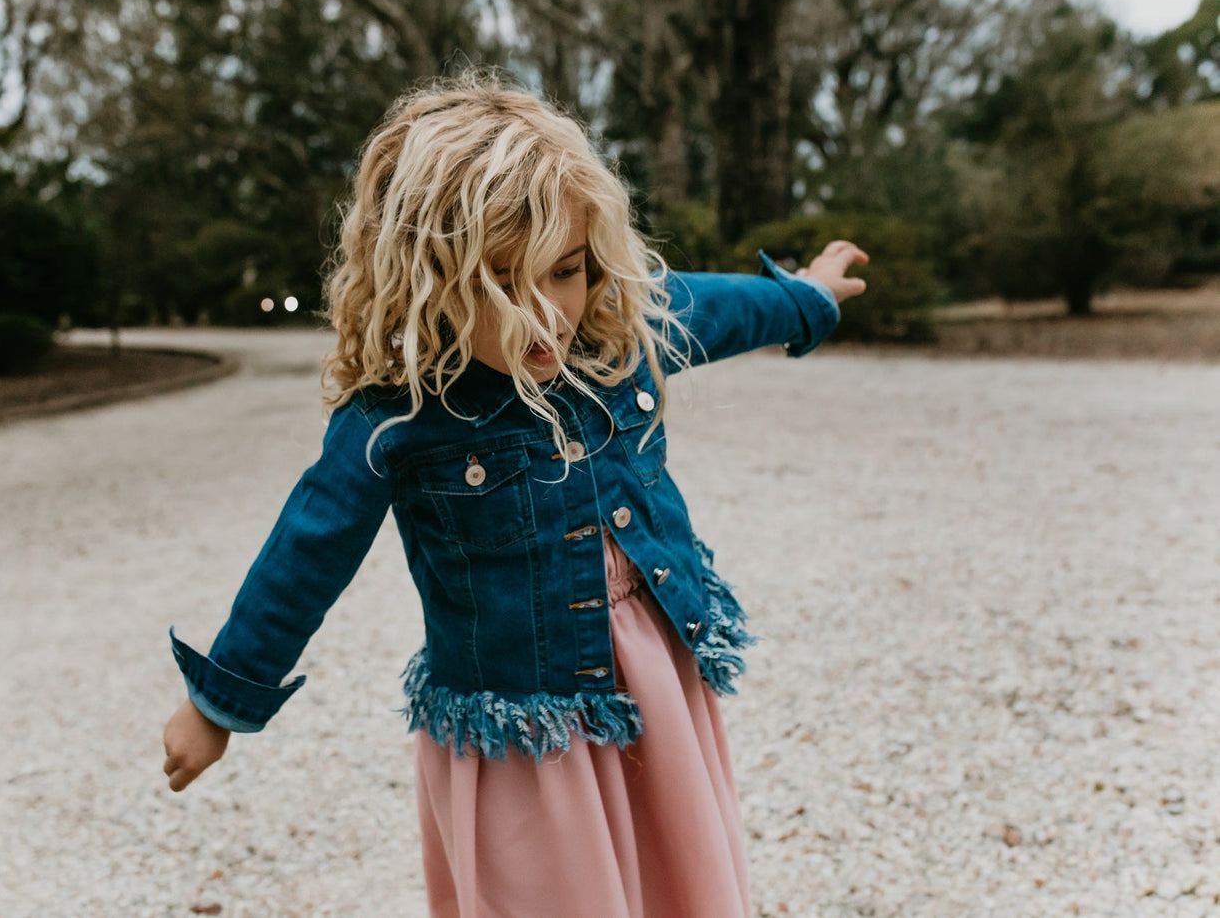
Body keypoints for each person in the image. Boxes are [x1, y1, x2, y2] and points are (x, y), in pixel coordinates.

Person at [162, 72, 869, 917]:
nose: (548, 313)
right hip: (522, 725)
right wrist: (219, 703)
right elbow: (305, 551)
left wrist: (807, 296)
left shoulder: (619, 330)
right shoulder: (398, 417)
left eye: (564, 271)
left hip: (651, 668)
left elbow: (724, 308)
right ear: (428, 278)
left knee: (674, 874)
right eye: (502, 283)